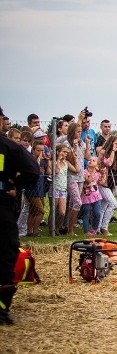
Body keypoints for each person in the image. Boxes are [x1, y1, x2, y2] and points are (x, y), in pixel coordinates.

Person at [0, 106, 41, 325]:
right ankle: (2, 308)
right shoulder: (8, 147)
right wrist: (17, 183)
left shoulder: (8, 147)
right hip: (3, 204)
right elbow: (33, 170)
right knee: (6, 251)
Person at [80, 157, 103, 236]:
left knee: (98, 212)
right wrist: (93, 171)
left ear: (97, 164)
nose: (90, 161)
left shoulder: (98, 173)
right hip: (87, 195)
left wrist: (103, 174)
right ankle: (86, 231)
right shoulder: (84, 172)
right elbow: (88, 180)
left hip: (96, 195)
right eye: (90, 160)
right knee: (86, 213)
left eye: (93, 160)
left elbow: (101, 182)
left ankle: (95, 229)